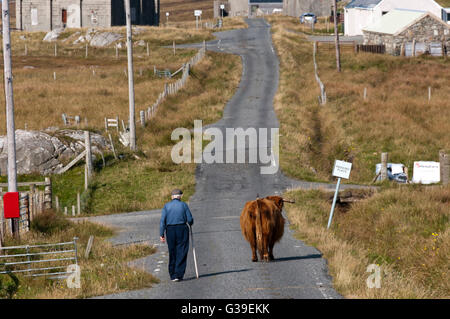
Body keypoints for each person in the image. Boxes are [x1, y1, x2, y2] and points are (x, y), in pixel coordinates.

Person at [160, 189, 194, 282]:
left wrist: (161, 234)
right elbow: (190, 219)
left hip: (170, 230)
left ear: (172, 197)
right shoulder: (184, 205)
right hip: (182, 229)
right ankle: (179, 274)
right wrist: (190, 223)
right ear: (181, 196)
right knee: (182, 251)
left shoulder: (166, 206)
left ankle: (172, 274)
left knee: (172, 251)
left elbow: (162, 221)